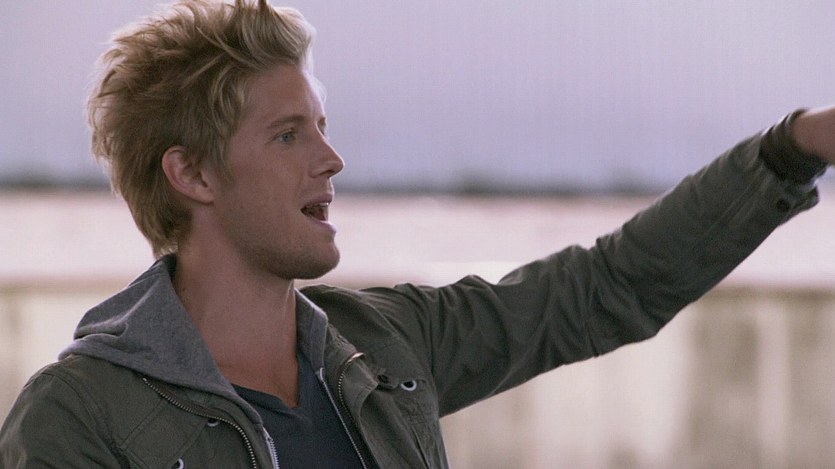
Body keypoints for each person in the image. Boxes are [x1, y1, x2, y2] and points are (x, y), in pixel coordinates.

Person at [1, 0, 834, 467]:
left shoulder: (385, 343)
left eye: (321, 126)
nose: (331, 158)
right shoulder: (80, 414)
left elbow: (604, 287)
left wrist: (791, 150)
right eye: (287, 135)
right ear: (193, 174)